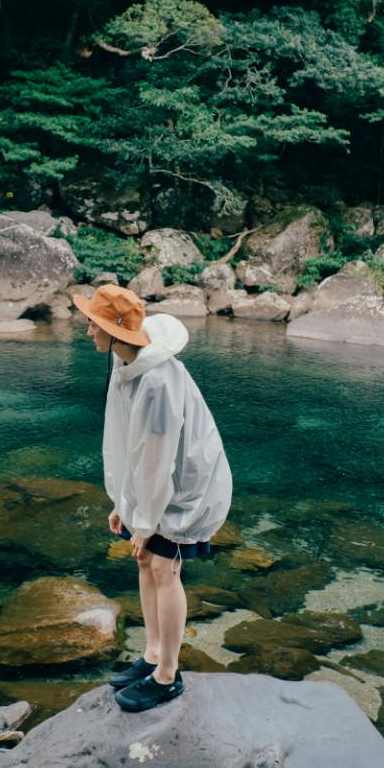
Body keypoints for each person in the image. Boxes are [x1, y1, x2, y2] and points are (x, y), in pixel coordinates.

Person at [74, 283, 232, 713]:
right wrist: (123, 503)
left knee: (164, 566)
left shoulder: (158, 381)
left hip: (186, 486)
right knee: (145, 559)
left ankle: (168, 675)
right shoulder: (126, 362)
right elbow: (128, 443)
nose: (88, 330)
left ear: (116, 330)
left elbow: (158, 459)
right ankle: (152, 655)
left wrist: (144, 522)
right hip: (160, 481)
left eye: (93, 323)